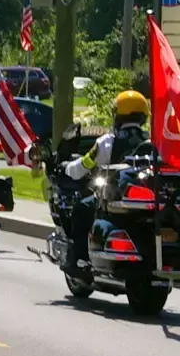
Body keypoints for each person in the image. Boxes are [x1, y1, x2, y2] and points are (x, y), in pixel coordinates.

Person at [60, 90, 152, 267]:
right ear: (143, 117)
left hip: (112, 199)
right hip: (143, 200)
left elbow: (81, 167)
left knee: (81, 209)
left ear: (117, 116)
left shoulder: (107, 142)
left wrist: (67, 168)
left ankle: (80, 260)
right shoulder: (152, 142)